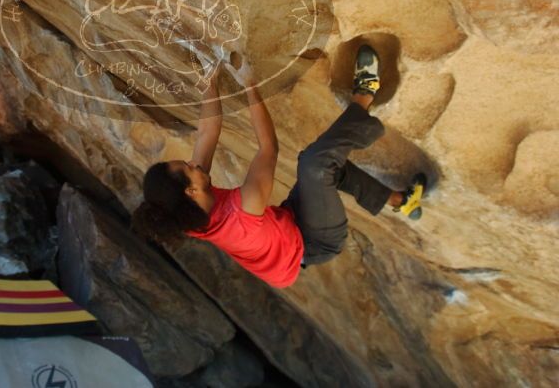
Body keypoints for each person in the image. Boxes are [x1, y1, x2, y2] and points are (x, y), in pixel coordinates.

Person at [132, 45, 425, 288]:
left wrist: (211, 79)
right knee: (315, 164)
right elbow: (268, 148)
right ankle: (365, 95)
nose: (193, 161)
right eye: (187, 165)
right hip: (316, 242)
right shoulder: (241, 215)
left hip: (288, 226)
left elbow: (208, 131)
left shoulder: (187, 214)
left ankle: (401, 200)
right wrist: (249, 83)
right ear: (191, 190)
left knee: (324, 173)